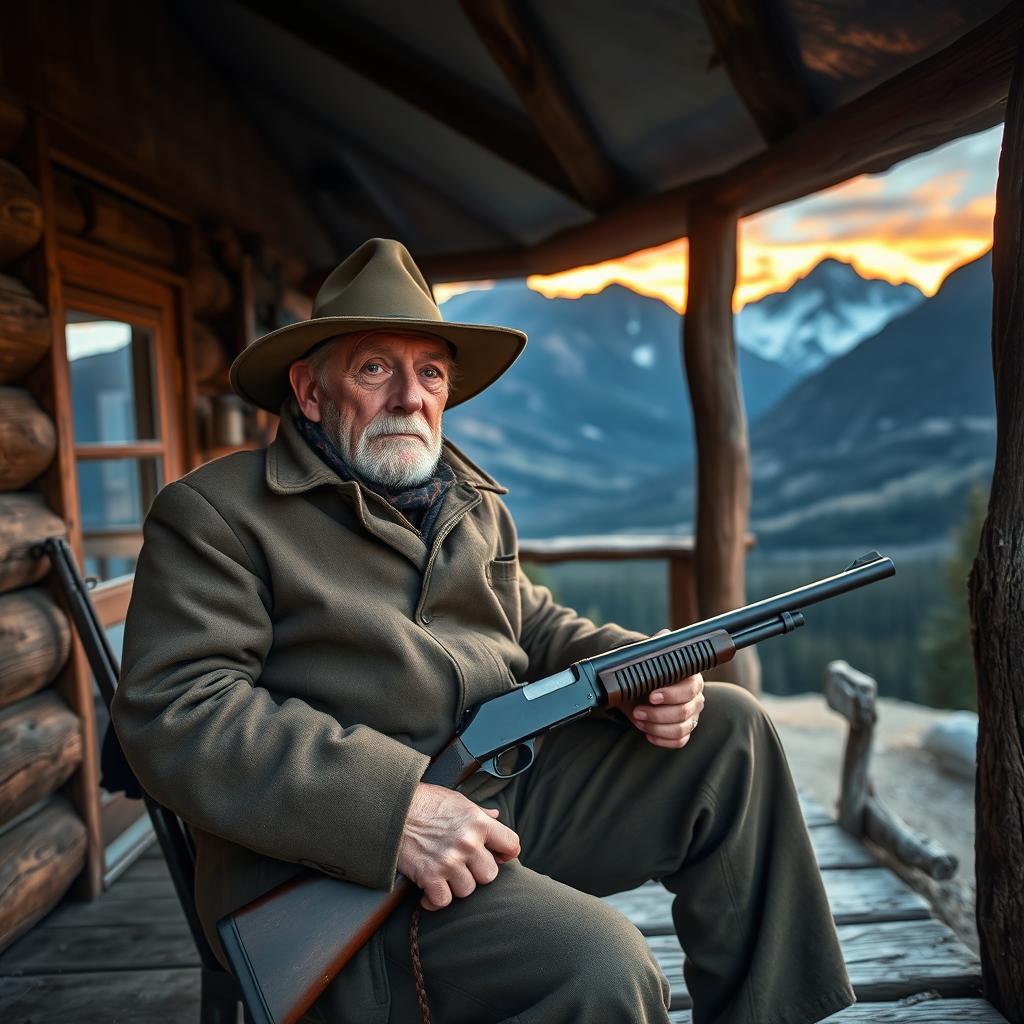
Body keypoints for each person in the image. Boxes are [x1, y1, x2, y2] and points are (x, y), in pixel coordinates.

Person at [112, 238, 855, 1024]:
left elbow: (529, 620)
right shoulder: (216, 514)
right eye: (375, 368)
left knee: (731, 733)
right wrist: (393, 809)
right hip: (339, 860)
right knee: (603, 966)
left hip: (496, 793)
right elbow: (177, 711)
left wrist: (636, 667)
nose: (410, 396)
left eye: (430, 372)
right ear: (309, 389)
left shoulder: (467, 502)